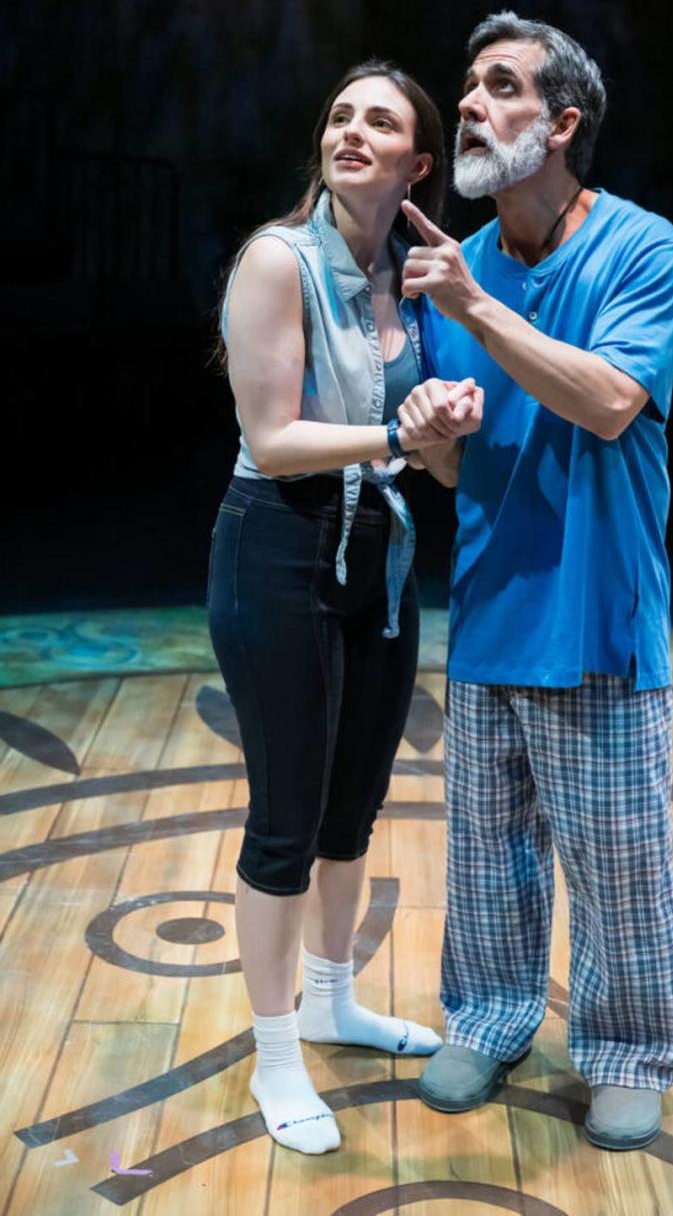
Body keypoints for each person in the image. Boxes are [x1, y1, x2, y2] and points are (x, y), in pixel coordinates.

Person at [400, 12, 673, 1150]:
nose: (469, 102)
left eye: (501, 87)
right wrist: (428, 434)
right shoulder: (452, 269)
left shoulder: (639, 247)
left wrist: (473, 306)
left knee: (616, 858)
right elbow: (468, 456)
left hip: (598, 610)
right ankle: (490, 1012)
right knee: (485, 854)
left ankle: (625, 1045)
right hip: (489, 601)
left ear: (562, 124)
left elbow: (611, 400)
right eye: (468, 84)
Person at [208, 60, 483, 1155]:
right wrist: (400, 441)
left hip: (378, 552)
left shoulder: (409, 283)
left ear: (419, 164)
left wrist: (446, 416)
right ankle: (278, 1050)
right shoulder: (277, 261)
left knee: (352, 806)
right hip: (277, 545)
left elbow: (433, 444)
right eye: (338, 115)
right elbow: (273, 441)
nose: (351, 131)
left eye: (380, 120)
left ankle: (333, 997)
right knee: (284, 818)